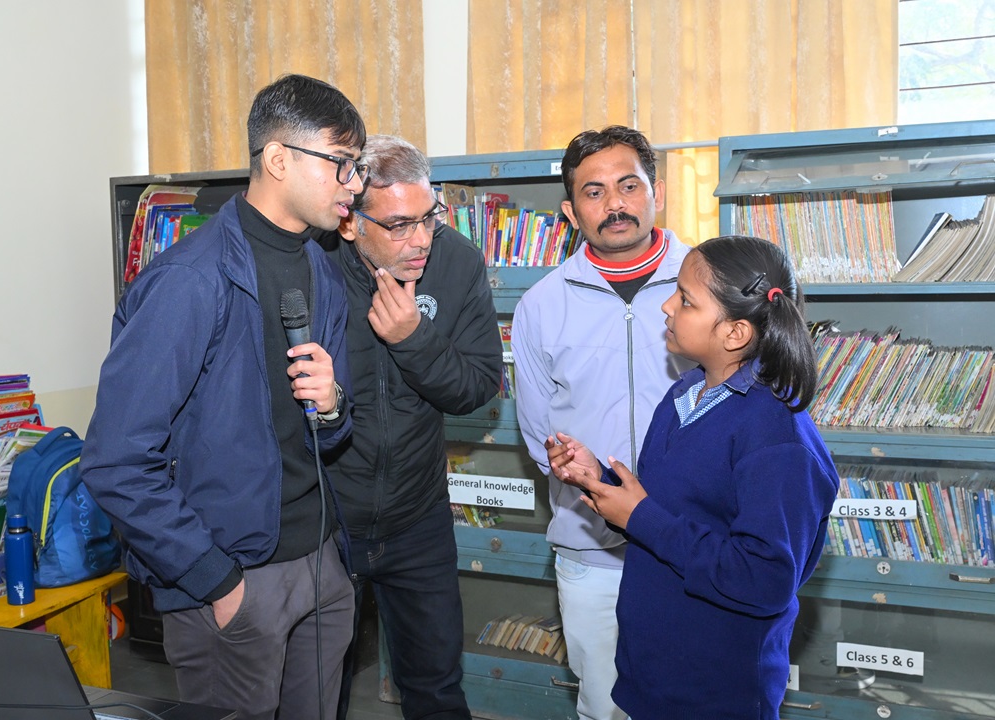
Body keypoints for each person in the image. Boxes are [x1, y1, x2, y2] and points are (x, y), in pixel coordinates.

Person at [81, 74, 365, 720]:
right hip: (233, 581)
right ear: (278, 159)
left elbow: (331, 431)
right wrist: (216, 580)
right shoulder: (189, 280)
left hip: (321, 565)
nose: (354, 184)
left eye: (357, 166)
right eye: (341, 163)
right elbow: (115, 460)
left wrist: (332, 407)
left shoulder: (322, 270)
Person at [548, 235, 840, 719]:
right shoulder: (684, 394)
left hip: (717, 689)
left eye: (685, 300)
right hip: (655, 670)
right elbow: (674, 513)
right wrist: (599, 479)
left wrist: (639, 516)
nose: (667, 306)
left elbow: (763, 578)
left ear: (735, 333)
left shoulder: (778, 439)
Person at [511, 125, 691, 720]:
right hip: (592, 553)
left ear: (656, 192)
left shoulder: (709, 285)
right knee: (604, 704)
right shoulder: (542, 304)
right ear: (570, 211)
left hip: (696, 547)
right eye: (594, 192)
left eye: (628, 185)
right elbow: (538, 430)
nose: (614, 204)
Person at [324, 134, 502, 720]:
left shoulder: (457, 261)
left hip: (417, 518)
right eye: (400, 225)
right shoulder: (311, 265)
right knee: (317, 691)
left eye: (429, 217)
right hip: (326, 524)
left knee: (437, 688)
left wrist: (412, 340)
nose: (421, 239)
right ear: (350, 222)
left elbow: (477, 387)